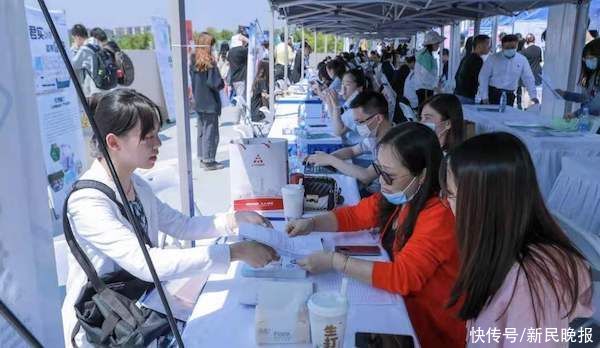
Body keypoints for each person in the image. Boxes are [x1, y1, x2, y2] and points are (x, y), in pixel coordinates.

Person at [63, 89, 278, 345]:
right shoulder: (88, 202)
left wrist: (233, 220)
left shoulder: (136, 184)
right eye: (148, 137)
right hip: (105, 328)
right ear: (113, 143)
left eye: (157, 134)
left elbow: (181, 225)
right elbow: (147, 262)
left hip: (140, 311)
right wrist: (235, 252)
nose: (158, 144)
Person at [289, 122, 466, 348]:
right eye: (379, 170)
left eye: (390, 176)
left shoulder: (438, 216)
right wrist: (311, 223)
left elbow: (402, 277)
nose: (381, 181)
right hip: (401, 310)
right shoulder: (398, 196)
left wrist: (336, 261)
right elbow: (353, 216)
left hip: (430, 328)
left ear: (421, 176)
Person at [441, 132, 593, 347]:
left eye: (452, 195)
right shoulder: (501, 250)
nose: (448, 204)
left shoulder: (531, 281)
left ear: (482, 201)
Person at [305, 91, 393, 189]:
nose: (358, 126)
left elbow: (367, 176)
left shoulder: (392, 144)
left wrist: (331, 160)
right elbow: (353, 150)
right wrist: (326, 158)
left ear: (379, 118)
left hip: (380, 194)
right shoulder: (374, 137)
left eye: (360, 122)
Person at [190, 32, 225, 171]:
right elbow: (214, 83)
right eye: (211, 45)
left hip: (199, 101)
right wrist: (221, 82)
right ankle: (209, 160)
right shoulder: (209, 62)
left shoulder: (193, 60)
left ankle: (202, 157)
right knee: (211, 132)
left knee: (202, 131)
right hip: (210, 102)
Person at [478, 34, 539, 106]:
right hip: (492, 94)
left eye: (512, 47)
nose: (510, 49)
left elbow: (528, 78)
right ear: (502, 46)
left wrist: (533, 96)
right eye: (507, 47)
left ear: (516, 46)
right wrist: (484, 96)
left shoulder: (522, 60)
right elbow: (483, 77)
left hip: (509, 96)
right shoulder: (493, 58)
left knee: (506, 116)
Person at [319, 69, 367, 144]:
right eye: (342, 84)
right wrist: (329, 101)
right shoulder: (350, 103)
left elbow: (338, 131)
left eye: (347, 85)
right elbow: (334, 121)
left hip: (357, 151)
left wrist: (335, 105)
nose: (343, 88)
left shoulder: (359, 107)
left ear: (360, 88)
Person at [557, 38, 600, 117]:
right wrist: (565, 95)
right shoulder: (595, 75)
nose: (587, 61)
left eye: (590, 58)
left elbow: (596, 104)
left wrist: (576, 114)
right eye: (585, 59)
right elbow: (589, 98)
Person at [454, 34, 490, 104]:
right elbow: (480, 79)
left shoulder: (466, 57)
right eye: (487, 44)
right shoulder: (477, 60)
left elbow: (457, 75)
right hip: (467, 96)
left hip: (459, 93)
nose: (489, 47)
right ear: (480, 45)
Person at [70, 24, 102, 96]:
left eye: (74, 39)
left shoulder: (84, 49)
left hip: (94, 86)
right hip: (102, 82)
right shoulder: (96, 43)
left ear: (77, 37)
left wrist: (74, 48)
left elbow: (73, 65)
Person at [414, 31, 445, 105]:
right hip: (425, 89)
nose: (438, 45)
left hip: (424, 88)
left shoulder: (425, 54)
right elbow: (425, 76)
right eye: (437, 43)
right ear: (432, 44)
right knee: (425, 109)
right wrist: (435, 87)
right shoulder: (426, 56)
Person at [227, 27, 249, 124]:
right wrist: (247, 40)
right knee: (242, 99)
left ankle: (241, 118)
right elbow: (253, 48)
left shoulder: (230, 52)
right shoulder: (241, 50)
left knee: (240, 98)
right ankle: (242, 119)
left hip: (235, 78)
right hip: (242, 77)